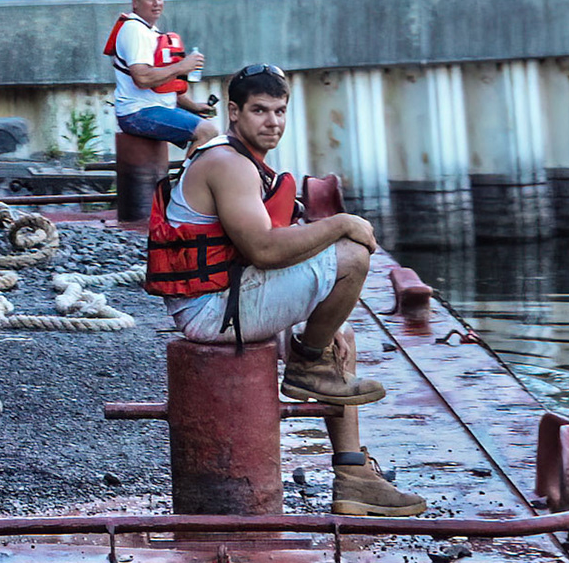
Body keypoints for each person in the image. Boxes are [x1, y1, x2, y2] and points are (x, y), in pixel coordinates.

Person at [145, 63, 426, 518]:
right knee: (353, 256)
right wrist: (340, 223)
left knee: (343, 337)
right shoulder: (226, 163)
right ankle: (308, 366)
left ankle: (353, 476)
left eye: (280, 111)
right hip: (210, 310)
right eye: (259, 111)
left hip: (226, 295)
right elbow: (263, 250)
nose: (272, 122)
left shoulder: (245, 160)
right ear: (234, 112)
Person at [106, 0, 219, 149]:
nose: (156, 3)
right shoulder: (135, 31)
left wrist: (194, 106)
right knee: (208, 131)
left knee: (208, 132)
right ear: (135, 2)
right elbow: (143, 79)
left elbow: (163, 84)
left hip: (154, 109)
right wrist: (182, 66)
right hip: (138, 113)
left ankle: (186, 174)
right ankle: (187, 177)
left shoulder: (149, 30)